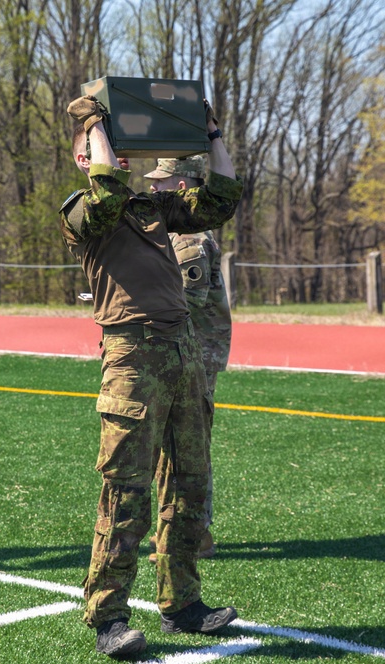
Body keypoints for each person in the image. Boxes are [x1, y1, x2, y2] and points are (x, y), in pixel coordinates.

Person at [60, 95, 241, 658]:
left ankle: (181, 603)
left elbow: (221, 199)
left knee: (189, 485)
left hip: (182, 351)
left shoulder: (152, 209)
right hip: (132, 359)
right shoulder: (81, 211)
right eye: (98, 152)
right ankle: (108, 616)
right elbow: (107, 186)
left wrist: (210, 132)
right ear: (86, 159)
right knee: (127, 493)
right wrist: (93, 122)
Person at [145, 156, 233, 561]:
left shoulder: (188, 239)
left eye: (161, 182)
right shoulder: (178, 234)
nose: (153, 189)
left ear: (182, 187)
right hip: (186, 352)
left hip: (193, 354)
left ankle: (193, 535)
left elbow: (186, 299)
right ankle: (186, 532)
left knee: (185, 448)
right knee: (177, 447)